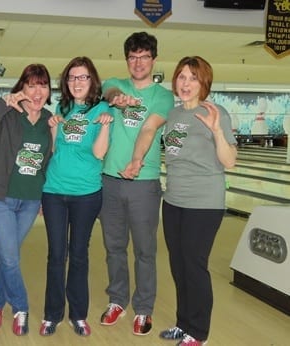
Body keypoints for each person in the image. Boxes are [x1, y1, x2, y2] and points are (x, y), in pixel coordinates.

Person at [98, 31, 174, 335]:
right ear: (127, 60)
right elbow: (109, 90)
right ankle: (117, 299)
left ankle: (143, 308)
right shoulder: (115, 83)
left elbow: (149, 128)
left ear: (153, 60)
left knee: (144, 250)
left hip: (144, 183)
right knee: (113, 247)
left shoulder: (162, 96)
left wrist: (137, 160)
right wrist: (118, 99)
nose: (138, 62)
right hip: (110, 183)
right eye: (133, 57)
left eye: (144, 57)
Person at [159, 56, 237, 346]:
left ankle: (199, 332)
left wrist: (216, 130)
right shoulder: (173, 115)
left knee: (194, 265)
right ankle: (184, 323)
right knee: (178, 265)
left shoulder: (217, 112)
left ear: (204, 82)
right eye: (182, 77)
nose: (186, 83)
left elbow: (229, 161)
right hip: (174, 200)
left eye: (193, 77)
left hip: (204, 202)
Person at [0, 64, 53, 336]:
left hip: (30, 200)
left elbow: (49, 161)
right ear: (22, 88)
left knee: (8, 256)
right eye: (31, 85)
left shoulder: (49, 120)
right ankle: (21, 307)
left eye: (43, 85)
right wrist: (2, 104)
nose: (37, 91)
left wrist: (45, 195)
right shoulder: (8, 114)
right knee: (9, 258)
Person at [39, 56, 113, 337]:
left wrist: (105, 125)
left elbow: (98, 153)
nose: (77, 82)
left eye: (82, 77)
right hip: (55, 191)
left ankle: (78, 315)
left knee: (79, 255)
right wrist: (55, 126)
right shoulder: (62, 107)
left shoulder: (102, 109)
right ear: (66, 83)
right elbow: (58, 150)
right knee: (56, 254)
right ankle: (52, 314)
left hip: (86, 194)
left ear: (91, 80)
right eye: (72, 78)